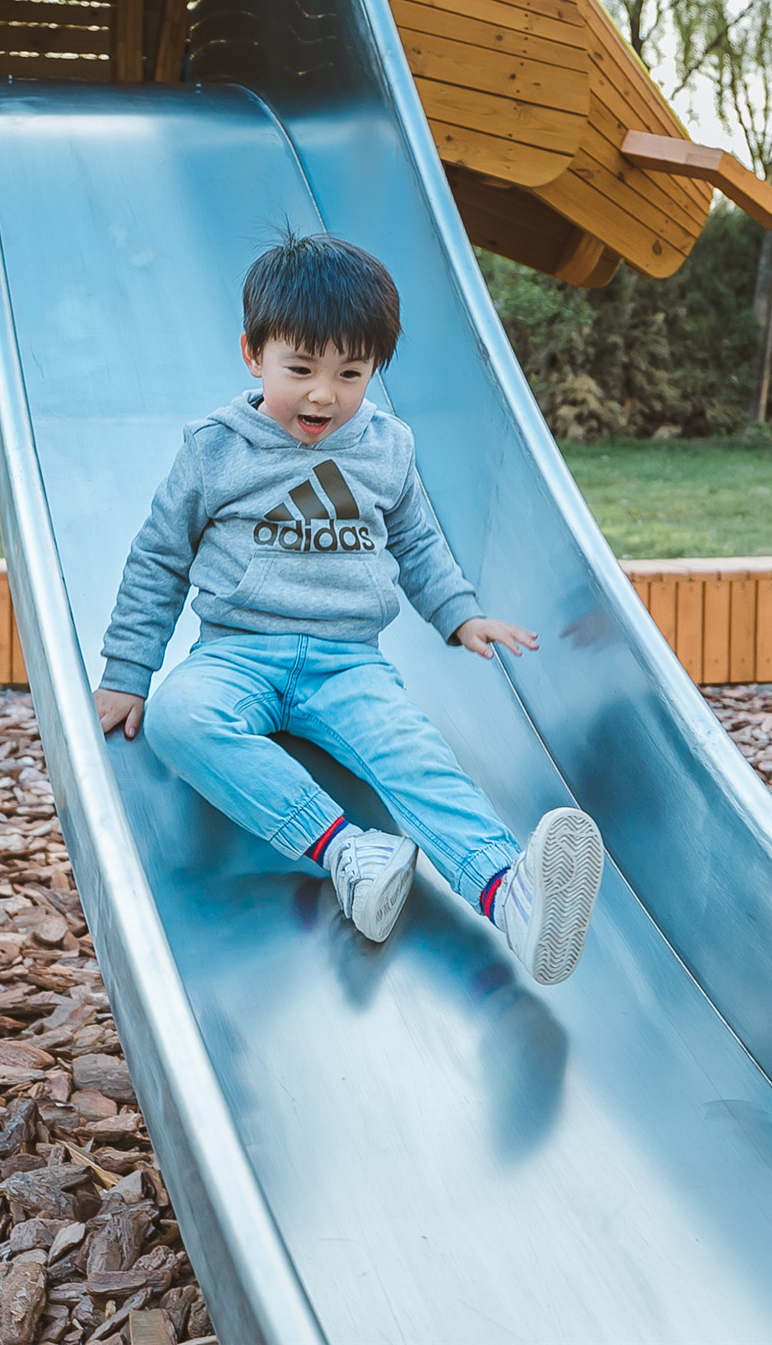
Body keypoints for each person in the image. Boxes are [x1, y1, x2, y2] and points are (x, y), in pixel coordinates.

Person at [92, 233, 604, 985]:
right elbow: (158, 557)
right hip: (237, 652)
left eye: (350, 373)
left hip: (347, 662)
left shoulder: (386, 446)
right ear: (252, 353)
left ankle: (509, 895)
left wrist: (462, 614)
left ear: (375, 370)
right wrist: (128, 668)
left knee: (417, 757)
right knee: (179, 715)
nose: (323, 395)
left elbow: (419, 542)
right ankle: (346, 849)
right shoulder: (214, 449)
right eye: (299, 369)